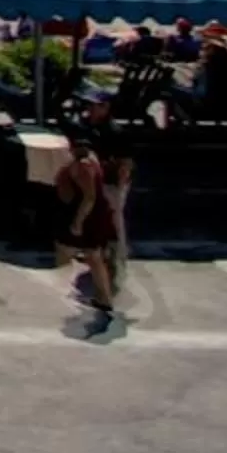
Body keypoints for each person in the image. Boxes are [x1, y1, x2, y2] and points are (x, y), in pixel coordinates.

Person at [53, 135, 118, 325]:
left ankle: (66, 293)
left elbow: (89, 197)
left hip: (87, 217)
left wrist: (77, 222)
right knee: (94, 257)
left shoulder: (84, 166)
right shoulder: (91, 159)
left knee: (74, 252)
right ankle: (104, 299)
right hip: (92, 215)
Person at [103, 143, 136, 292]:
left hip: (116, 217)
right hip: (107, 217)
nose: (126, 173)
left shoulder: (125, 183)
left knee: (116, 249)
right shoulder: (106, 186)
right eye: (123, 170)